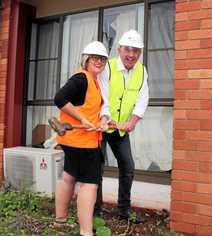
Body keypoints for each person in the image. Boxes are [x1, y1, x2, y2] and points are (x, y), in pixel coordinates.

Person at [54, 41, 109, 236]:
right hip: (84, 143)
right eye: (95, 57)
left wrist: (101, 120)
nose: (99, 61)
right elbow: (59, 99)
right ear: (86, 59)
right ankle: (86, 232)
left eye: (103, 59)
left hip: (72, 141)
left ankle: (59, 221)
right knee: (89, 184)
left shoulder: (93, 81)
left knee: (68, 177)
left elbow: (93, 107)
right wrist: (83, 119)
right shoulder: (81, 78)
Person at [96, 29, 149, 222]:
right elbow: (102, 96)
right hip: (102, 126)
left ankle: (124, 211)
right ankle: (95, 211)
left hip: (121, 130)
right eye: (128, 49)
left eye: (136, 51)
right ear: (119, 49)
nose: (131, 55)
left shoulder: (142, 71)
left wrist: (132, 122)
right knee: (97, 169)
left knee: (128, 167)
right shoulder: (108, 68)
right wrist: (108, 119)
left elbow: (143, 99)